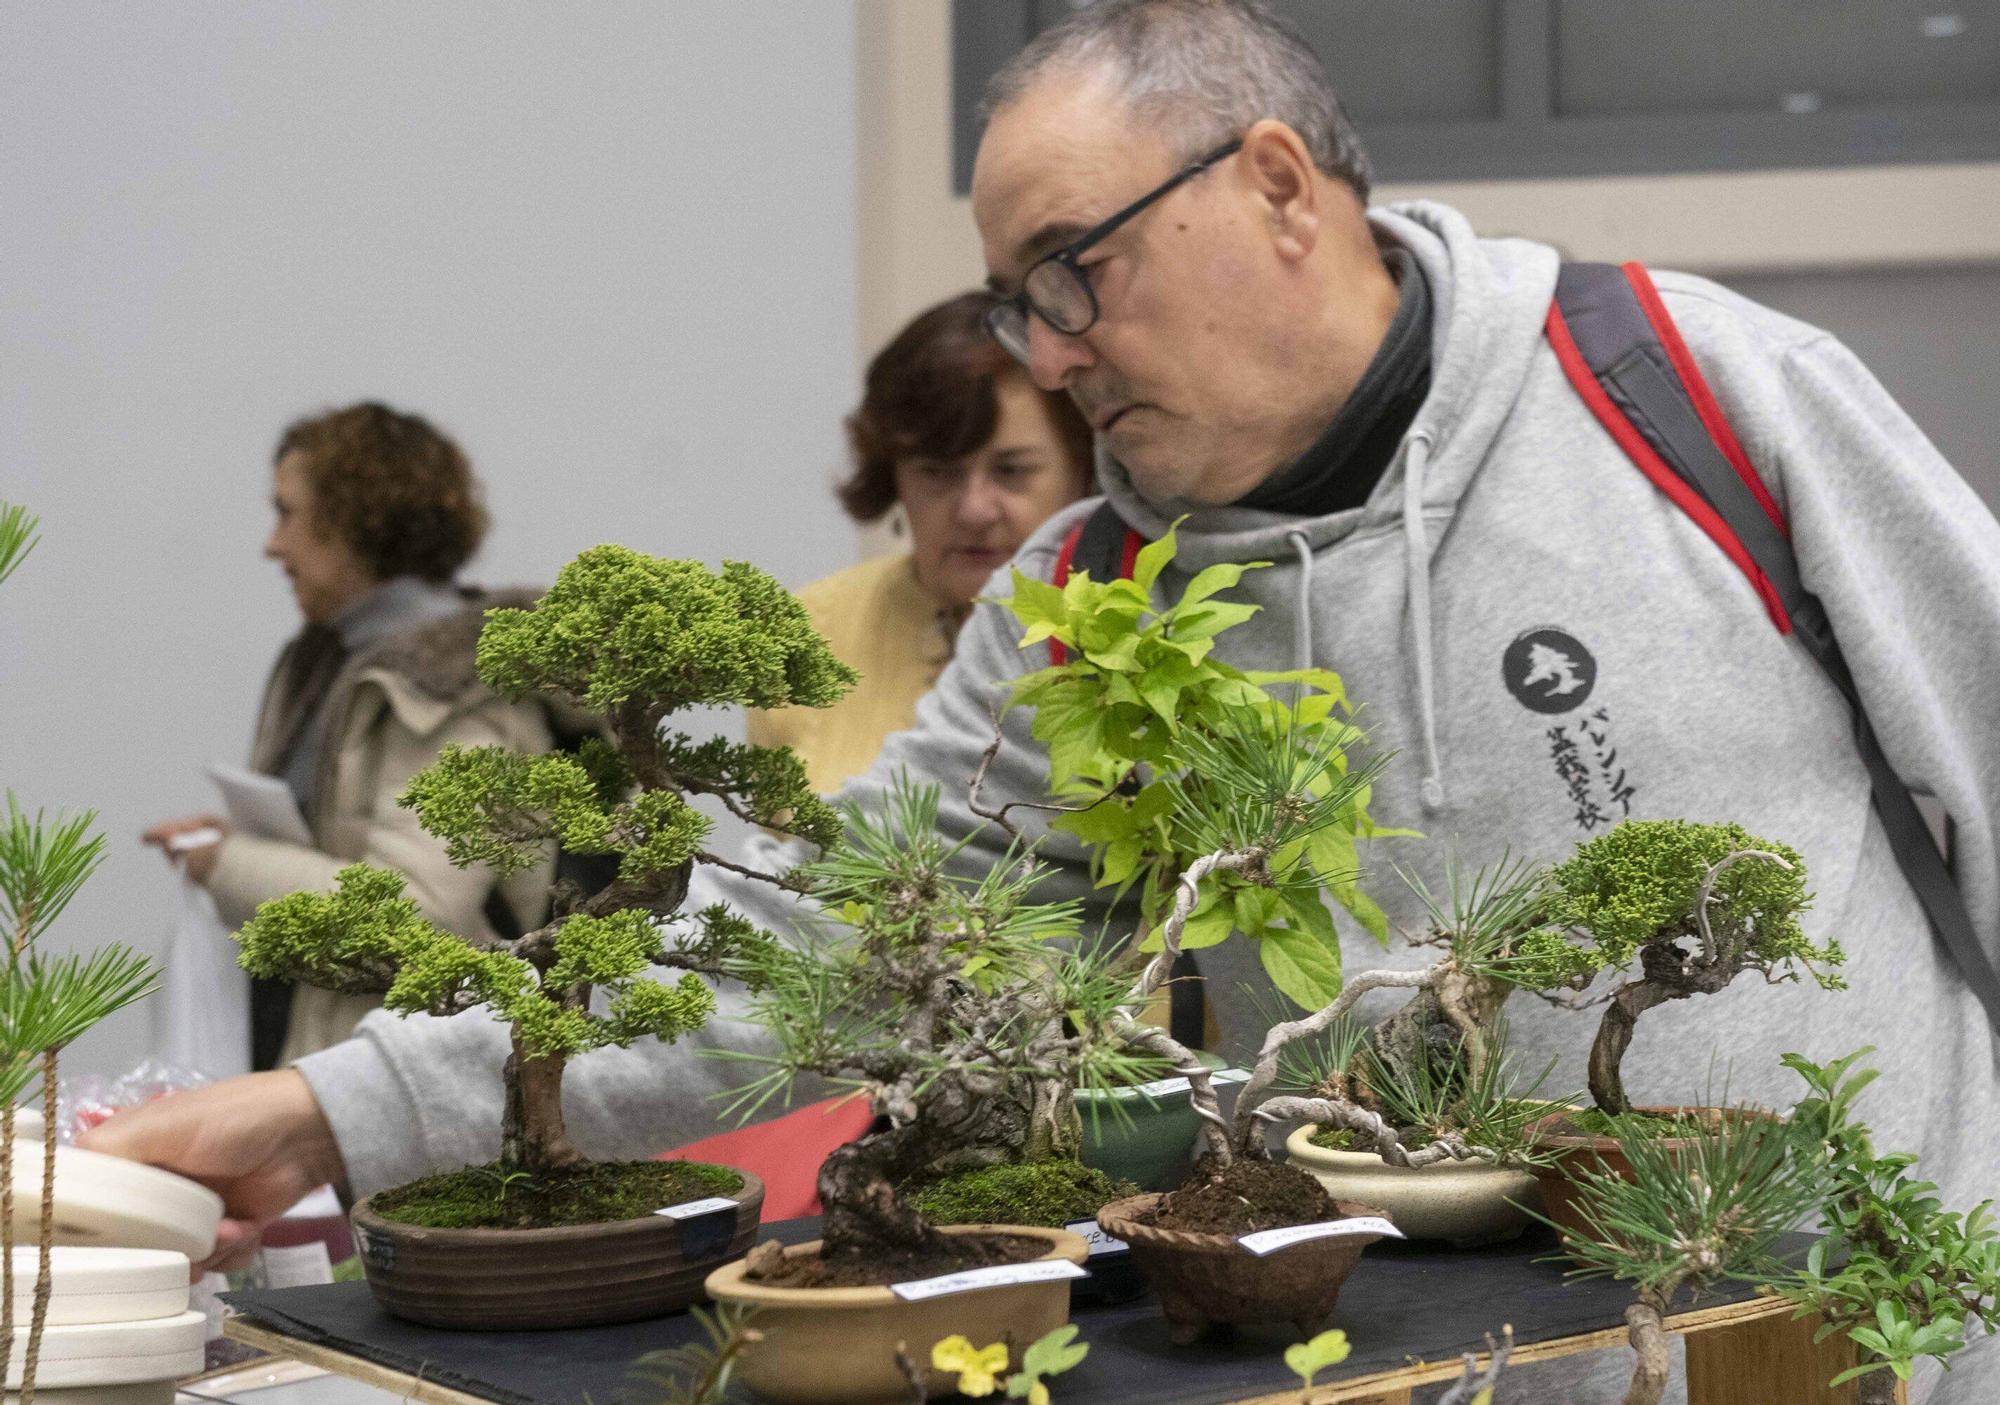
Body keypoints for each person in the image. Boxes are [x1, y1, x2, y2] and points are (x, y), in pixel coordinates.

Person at [89, 8, 2000, 1396]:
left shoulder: (1692, 390)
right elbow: (827, 938)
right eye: (1017, 299)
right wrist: (327, 1110)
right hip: (1393, 1379)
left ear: (1274, 187)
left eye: (1075, 271)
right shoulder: (1091, 597)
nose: (1053, 352)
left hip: (1864, 1352)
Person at [141, 402, 555, 1068]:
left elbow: (422, 915)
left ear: (355, 517)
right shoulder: (329, 662)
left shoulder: (459, 684)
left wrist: (226, 864)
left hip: (418, 1097)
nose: (272, 545)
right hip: (345, 1071)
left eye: (287, 513)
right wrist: (232, 845)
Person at [745, 291, 1091, 793]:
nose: (974, 509)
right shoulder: (802, 639)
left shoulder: (1138, 626)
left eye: (1012, 471)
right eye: (937, 473)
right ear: (894, 478)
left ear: (1082, 468)